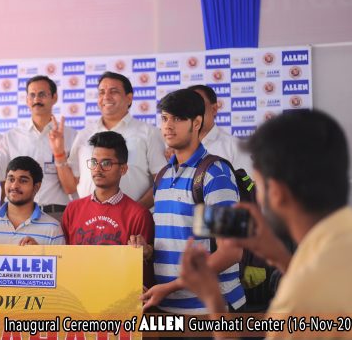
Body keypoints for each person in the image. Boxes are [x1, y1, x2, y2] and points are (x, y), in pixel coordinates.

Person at [178, 109, 352, 337]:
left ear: (277, 193)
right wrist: (280, 257)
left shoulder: (297, 300)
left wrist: (213, 299)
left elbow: (311, 288)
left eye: (258, 185)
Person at [142, 89, 245, 314]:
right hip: (167, 306)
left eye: (178, 118)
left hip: (208, 308)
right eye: (165, 118)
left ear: (197, 122)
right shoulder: (163, 176)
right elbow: (176, 239)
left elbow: (231, 251)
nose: (168, 126)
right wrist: (147, 250)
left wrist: (172, 286)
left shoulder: (213, 173)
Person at [51, 71, 166, 208]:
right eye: (101, 92)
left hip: (131, 218)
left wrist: (135, 212)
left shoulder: (149, 133)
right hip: (90, 217)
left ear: (129, 98)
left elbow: (162, 180)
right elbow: (70, 187)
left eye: (114, 91)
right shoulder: (84, 134)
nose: (106, 97)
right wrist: (58, 153)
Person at [0, 75, 77, 221]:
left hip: (56, 214)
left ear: (54, 97)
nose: (36, 99)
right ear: (27, 100)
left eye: (42, 94)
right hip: (18, 215)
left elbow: (73, 187)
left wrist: (60, 155)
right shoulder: (12, 136)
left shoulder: (70, 136)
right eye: (32, 95)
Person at [62, 131, 154, 261]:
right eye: (94, 162)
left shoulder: (139, 215)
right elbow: (62, 258)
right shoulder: (72, 210)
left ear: (123, 169)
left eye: (106, 163)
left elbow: (142, 266)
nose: (97, 169)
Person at [0, 156, 65, 245]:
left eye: (23, 181)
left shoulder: (53, 228)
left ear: (36, 187)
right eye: (11, 179)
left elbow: (59, 257)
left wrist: (38, 252)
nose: (14, 186)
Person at [188, 84, 252, 173]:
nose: (193, 111)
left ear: (214, 109)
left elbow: (248, 181)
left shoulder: (234, 147)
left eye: (198, 105)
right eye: (188, 107)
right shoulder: (176, 147)